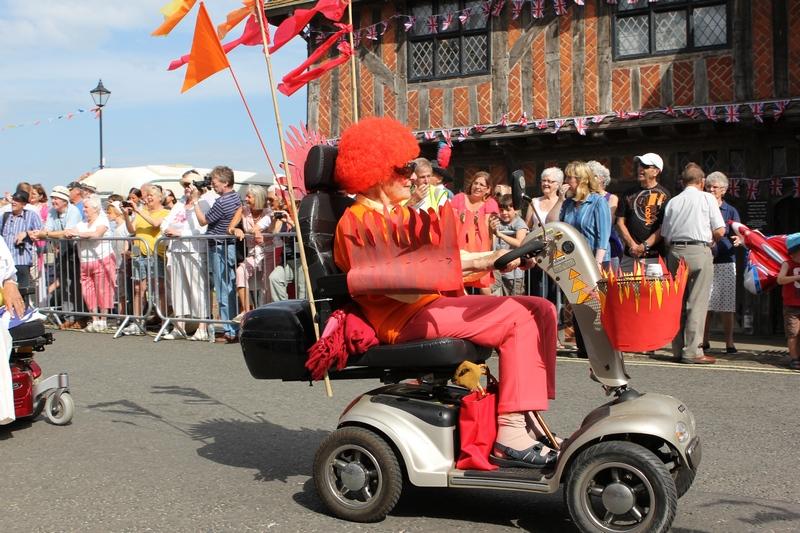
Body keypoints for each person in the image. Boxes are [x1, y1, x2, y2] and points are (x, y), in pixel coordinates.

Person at [334, 117, 559, 468]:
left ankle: (526, 417)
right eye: (404, 167)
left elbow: (443, 259)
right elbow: (406, 278)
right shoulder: (355, 222)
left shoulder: (398, 215)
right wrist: (487, 259)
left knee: (539, 308)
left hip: (428, 307)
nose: (412, 174)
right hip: (402, 317)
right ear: (377, 172)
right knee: (516, 318)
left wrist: (495, 258)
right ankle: (510, 434)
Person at [661, 163, 725, 364]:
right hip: (699, 249)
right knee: (697, 302)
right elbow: (720, 230)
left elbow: (666, 235)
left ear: (683, 182)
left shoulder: (673, 201)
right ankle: (693, 351)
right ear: (702, 181)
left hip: (675, 251)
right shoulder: (707, 198)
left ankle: (677, 350)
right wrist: (712, 240)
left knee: (676, 302)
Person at [559, 161, 611, 359]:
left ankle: (600, 346)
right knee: (579, 305)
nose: (566, 181)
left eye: (570, 177)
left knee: (595, 305)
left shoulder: (598, 201)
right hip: (574, 261)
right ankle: (583, 346)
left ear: (581, 180)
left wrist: (597, 262)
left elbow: (603, 234)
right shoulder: (569, 204)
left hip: (595, 260)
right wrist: (560, 199)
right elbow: (559, 226)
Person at [193, 166, 241, 343]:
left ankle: (230, 330)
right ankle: (232, 327)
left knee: (222, 290)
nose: (213, 186)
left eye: (215, 183)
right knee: (228, 287)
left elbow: (203, 220)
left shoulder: (222, 202)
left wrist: (196, 202)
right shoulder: (236, 197)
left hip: (219, 247)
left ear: (225, 182)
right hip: (226, 246)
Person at [160, 172, 210, 341]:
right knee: (178, 289)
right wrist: (168, 231)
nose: (186, 188)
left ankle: (202, 327)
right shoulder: (180, 203)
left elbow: (202, 228)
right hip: (176, 250)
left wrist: (179, 232)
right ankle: (179, 326)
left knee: (198, 289)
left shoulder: (205, 201)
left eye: (189, 184)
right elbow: (165, 222)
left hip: (194, 250)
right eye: (184, 185)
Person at [29, 186, 83, 329]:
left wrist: (44, 234)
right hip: (63, 250)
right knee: (65, 284)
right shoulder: (53, 211)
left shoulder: (74, 211)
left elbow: (67, 233)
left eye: (57, 198)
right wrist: (39, 233)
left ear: (65, 200)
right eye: (52, 198)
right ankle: (68, 316)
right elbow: (48, 229)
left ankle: (80, 316)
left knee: (76, 284)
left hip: (76, 250)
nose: (53, 200)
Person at [702, 172, 742, 354]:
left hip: (726, 260)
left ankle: (729, 342)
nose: (711, 189)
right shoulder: (701, 207)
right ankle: (704, 340)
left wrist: (739, 240)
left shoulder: (731, 210)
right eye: (709, 186)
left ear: (724, 190)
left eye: (715, 187)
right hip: (706, 258)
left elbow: (739, 232)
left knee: (727, 305)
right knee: (706, 304)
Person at [123, 184, 170, 335]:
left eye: (152, 196)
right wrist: (126, 215)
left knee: (160, 288)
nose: (148, 198)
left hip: (156, 253)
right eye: (147, 195)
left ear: (159, 198)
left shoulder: (165, 212)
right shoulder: (140, 212)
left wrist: (138, 210)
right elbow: (132, 230)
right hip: (139, 252)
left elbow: (156, 224)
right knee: (138, 288)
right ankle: (138, 322)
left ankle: (164, 322)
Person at [66, 195, 115, 333]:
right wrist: (72, 232)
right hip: (85, 261)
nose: (84, 210)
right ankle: (94, 319)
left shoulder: (102, 219)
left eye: (86, 207)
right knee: (88, 291)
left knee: (103, 289)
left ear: (95, 208)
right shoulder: (82, 223)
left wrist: (78, 234)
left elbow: (96, 234)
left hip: (102, 258)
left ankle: (103, 319)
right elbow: (72, 231)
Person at [617, 153, 671, 271]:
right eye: (639, 165)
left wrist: (644, 246)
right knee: (626, 289)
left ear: (656, 171)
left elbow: (664, 227)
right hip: (629, 256)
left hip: (654, 258)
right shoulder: (628, 193)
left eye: (645, 166)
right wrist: (633, 245)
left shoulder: (665, 195)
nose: (640, 168)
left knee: (653, 290)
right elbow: (620, 222)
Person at [451, 171, 500, 293]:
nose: (477, 187)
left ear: (488, 190)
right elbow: (450, 221)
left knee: (484, 285)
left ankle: (492, 311)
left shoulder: (490, 203)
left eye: (482, 185)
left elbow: (489, 227)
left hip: (480, 248)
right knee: (457, 281)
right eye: (475, 183)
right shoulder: (458, 198)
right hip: (459, 247)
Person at [232, 185, 274, 313]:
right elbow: (229, 228)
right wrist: (236, 229)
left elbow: (272, 231)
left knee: (267, 286)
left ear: (258, 198)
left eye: (249, 197)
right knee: (240, 272)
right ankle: (247, 311)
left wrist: (259, 234)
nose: (246, 199)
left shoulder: (269, 212)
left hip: (269, 252)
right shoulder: (242, 210)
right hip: (252, 253)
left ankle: (268, 313)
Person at [0, 190, 43, 304]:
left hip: (22, 260)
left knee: (22, 292)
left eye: (18, 200)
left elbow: (42, 232)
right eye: (14, 199)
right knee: (7, 293)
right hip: (6, 263)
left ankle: (24, 317)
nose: (14, 202)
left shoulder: (31, 215)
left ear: (24, 204)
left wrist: (26, 233)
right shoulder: (5, 216)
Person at [490, 194, 528, 296]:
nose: (504, 213)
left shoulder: (519, 223)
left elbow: (520, 242)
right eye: (501, 210)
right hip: (496, 271)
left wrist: (500, 234)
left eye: (508, 210)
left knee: (514, 302)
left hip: (514, 273)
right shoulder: (497, 221)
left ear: (515, 210)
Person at [588, 160, 623, 269]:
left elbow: (609, 222)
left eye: (592, 176)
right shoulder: (585, 198)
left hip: (610, 247)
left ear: (601, 179)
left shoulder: (611, 198)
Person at [105, 197, 132, 318]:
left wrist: (129, 253)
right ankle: (121, 316)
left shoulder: (125, 227)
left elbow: (132, 241)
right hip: (117, 264)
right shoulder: (116, 228)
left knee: (127, 292)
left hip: (125, 264)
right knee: (121, 292)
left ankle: (127, 315)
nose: (107, 214)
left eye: (109, 212)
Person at [777, 233, 800, 370]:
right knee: (793, 333)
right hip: (791, 305)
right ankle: (794, 358)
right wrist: (795, 277)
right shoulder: (787, 264)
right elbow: (780, 280)